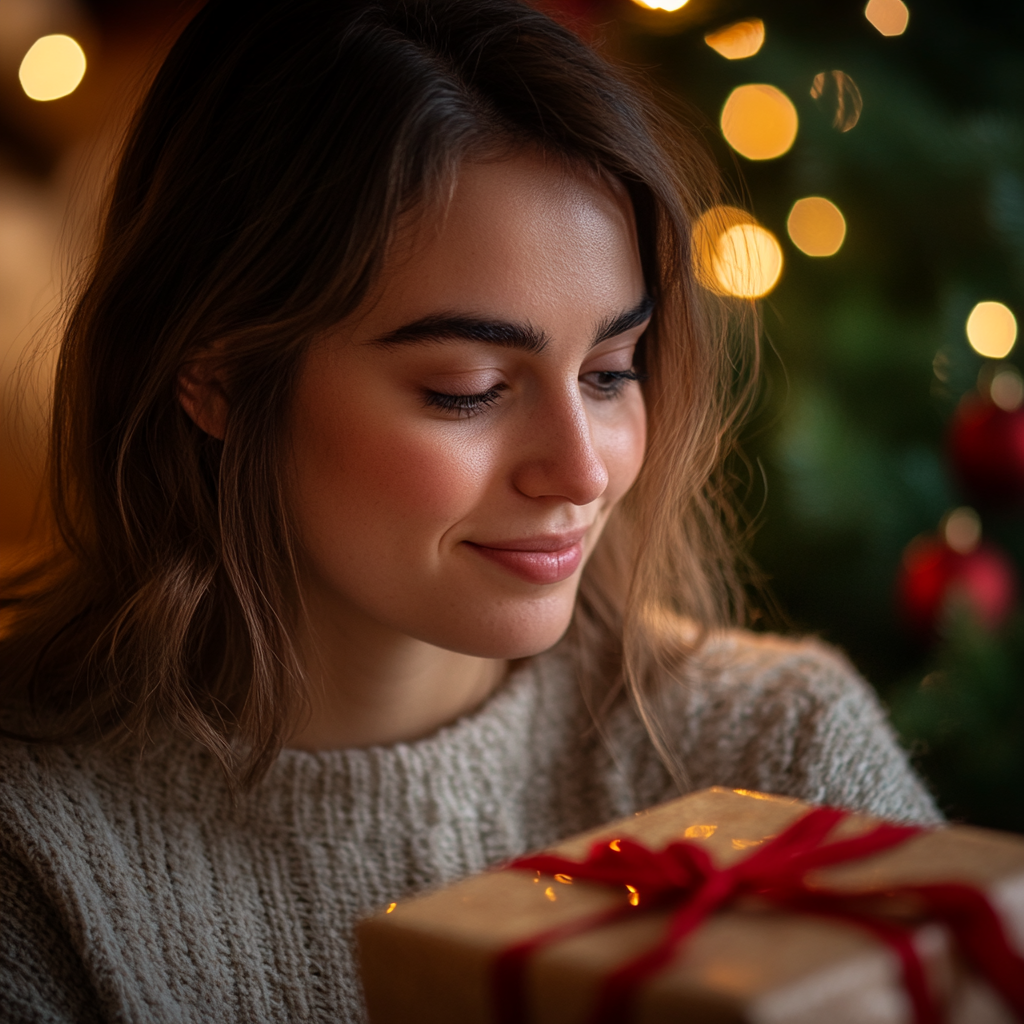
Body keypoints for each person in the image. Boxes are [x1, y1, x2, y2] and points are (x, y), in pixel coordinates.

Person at [0, 0, 940, 1020]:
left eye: (612, 371)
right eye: (469, 387)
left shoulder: (780, 754)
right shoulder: (35, 848)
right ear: (216, 375)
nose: (581, 472)